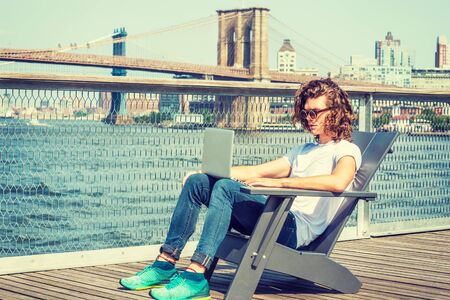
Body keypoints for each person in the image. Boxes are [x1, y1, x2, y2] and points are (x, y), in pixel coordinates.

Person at [119, 78, 362, 300]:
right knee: (198, 184)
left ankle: (195, 276)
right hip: (274, 218)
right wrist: (208, 171)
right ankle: (165, 262)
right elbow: (257, 171)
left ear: (336, 112)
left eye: (315, 112)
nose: (309, 118)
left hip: (293, 229)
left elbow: (338, 181)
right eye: (306, 112)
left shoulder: (345, 150)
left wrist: (279, 183)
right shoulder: (303, 150)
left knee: (225, 189)